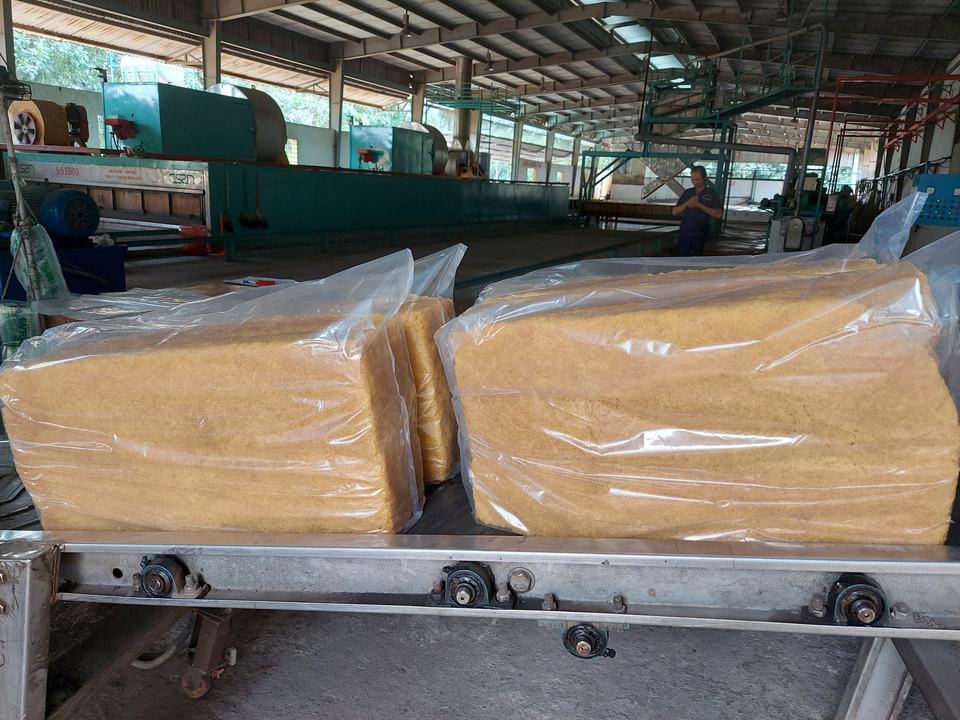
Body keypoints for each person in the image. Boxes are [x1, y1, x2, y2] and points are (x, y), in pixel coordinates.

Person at [671, 165, 723, 256]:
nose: (695, 182)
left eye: (697, 179)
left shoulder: (712, 194)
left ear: (704, 178)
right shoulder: (688, 192)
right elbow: (674, 212)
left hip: (700, 233)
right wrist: (687, 203)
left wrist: (699, 205)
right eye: (692, 179)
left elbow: (718, 214)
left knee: (695, 258)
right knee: (682, 258)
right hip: (685, 232)